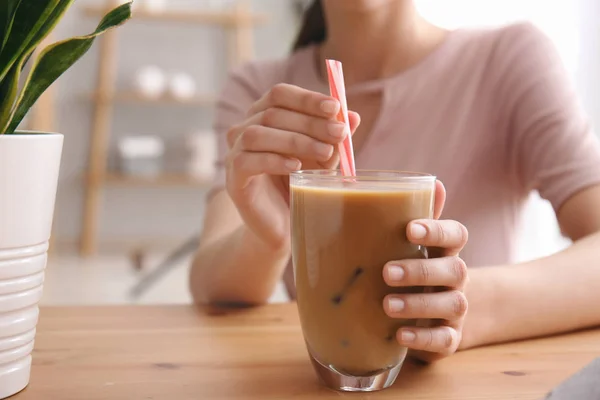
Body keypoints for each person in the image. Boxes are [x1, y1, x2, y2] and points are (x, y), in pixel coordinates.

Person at [190, 0, 600, 362]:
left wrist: (465, 305)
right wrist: (270, 238)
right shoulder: (259, 92)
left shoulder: (508, 58)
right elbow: (211, 283)